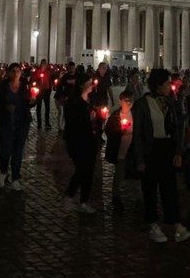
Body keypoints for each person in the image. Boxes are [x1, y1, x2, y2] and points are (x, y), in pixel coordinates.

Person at [129, 68, 190, 243]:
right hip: (151, 150)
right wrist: (140, 159)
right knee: (150, 189)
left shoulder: (171, 102)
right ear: (158, 85)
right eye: (166, 83)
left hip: (167, 149)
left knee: (170, 189)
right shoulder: (143, 104)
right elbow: (138, 134)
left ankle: (175, 224)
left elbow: (178, 128)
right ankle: (153, 225)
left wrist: (179, 152)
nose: (169, 86)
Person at [63, 73, 102, 213]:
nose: (92, 84)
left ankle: (84, 201)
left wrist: (99, 117)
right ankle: (69, 194)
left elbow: (94, 120)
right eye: (89, 82)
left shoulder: (90, 100)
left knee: (89, 172)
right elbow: (73, 123)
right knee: (81, 170)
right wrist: (89, 118)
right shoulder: (73, 102)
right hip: (77, 141)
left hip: (91, 141)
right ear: (82, 85)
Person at [0, 65, 35, 191]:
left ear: (21, 72)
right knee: (5, 150)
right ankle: (3, 173)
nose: (16, 73)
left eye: (18, 71)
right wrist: (6, 106)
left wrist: (33, 101)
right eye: (13, 71)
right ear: (9, 73)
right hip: (7, 122)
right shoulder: (3, 86)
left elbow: (28, 102)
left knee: (18, 151)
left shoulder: (25, 86)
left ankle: (15, 178)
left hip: (22, 123)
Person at [105, 90, 135, 208]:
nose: (129, 103)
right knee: (119, 173)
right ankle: (116, 196)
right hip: (120, 150)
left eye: (131, 100)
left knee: (134, 174)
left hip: (132, 150)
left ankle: (136, 197)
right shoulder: (116, 115)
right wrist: (120, 131)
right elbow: (108, 131)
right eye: (126, 100)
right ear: (120, 101)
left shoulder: (136, 114)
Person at [54, 61, 77, 134]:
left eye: (72, 68)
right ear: (68, 68)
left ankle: (64, 127)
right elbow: (60, 88)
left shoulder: (77, 77)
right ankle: (60, 128)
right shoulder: (65, 77)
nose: (71, 70)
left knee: (66, 113)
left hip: (70, 98)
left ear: (74, 68)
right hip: (61, 97)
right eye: (70, 68)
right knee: (61, 112)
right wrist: (62, 97)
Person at [31, 59, 53, 130]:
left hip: (46, 91)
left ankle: (47, 123)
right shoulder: (37, 71)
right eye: (42, 63)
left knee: (47, 108)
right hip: (39, 91)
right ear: (41, 64)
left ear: (46, 64)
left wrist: (50, 89)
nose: (44, 65)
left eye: (45, 63)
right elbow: (33, 79)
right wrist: (38, 79)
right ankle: (39, 124)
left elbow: (50, 80)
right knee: (39, 107)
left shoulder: (48, 71)